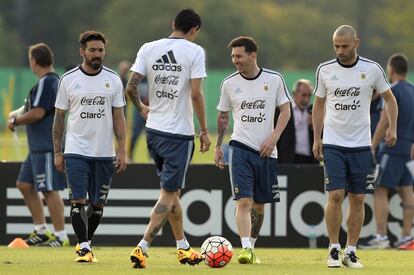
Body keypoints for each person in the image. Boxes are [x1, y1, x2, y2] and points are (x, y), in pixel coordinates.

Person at [126, 9, 211, 268]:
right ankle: (143, 246)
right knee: (169, 192)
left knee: (173, 193)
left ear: (173, 24)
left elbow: (130, 86)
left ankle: (183, 247)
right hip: (178, 135)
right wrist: (204, 131)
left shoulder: (148, 47)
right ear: (194, 30)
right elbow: (196, 95)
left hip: (153, 132)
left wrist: (141, 108)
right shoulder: (195, 52)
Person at [312, 25, 398, 268]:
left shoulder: (372, 69)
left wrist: (392, 127)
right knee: (336, 195)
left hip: (361, 145)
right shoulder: (325, 70)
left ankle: (351, 250)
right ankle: (333, 249)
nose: (340, 50)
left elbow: (389, 98)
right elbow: (319, 104)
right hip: (333, 143)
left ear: (356, 43)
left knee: (359, 198)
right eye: (336, 46)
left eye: (344, 46)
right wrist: (317, 138)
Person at [215, 36, 291, 264]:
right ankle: (245, 248)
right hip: (240, 147)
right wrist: (218, 146)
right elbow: (222, 116)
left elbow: (285, 111)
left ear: (253, 55)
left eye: (239, 56)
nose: (235, 60)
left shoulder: (274, 79)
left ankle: (252, 247)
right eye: (232, 56)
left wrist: (274, 137)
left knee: (259, 205)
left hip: (267, 152)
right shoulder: (228, 83)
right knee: (244, 202)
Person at [53, 31, 127, 262]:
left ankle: (85, 243)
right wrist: (57, 151)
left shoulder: (114, 79)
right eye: (92, 50)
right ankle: (85, 247)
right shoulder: (68, 79)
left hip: (104, 153)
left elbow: (119, 117)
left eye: (101, 50)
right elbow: (59, 118)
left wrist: (123, 149)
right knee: (78, 202)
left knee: (97, 206)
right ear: (82, 52)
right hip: (76, 151)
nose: (97, 54)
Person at [7, 43, 68, 247]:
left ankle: (61, 235)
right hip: (36, 148)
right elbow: (31, 107)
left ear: (34, 61)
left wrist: (16, 121)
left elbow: (38, 112)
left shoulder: (47, 81)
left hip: (47, 146)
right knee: (24, 185)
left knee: (50, 190)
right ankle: (41, 230)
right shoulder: (49, 82)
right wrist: (18, 114)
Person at [360, 53, 414, 250]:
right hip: (408, 150)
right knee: (407, 190)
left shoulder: (392, 90)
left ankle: (381, 236)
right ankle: (407, 236)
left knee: (380, 190)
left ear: (390, 70)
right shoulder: (412, 90)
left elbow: (384, 120)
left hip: (390, 149)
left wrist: (373, 145)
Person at [276, 79, 318, 164]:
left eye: (309, 95)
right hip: (288, 159)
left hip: (310, 160)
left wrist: (314, 125)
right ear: (294, 93)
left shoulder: (313, 111)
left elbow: (321, 136)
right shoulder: (282, 110)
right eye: (304, 95)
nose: (307, 99)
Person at [118, 60, 149, 162]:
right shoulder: (134, 80)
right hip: (139, 111)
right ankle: (129, 156)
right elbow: (127, 87)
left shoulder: (152, 80)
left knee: (152, 135)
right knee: (134, 134)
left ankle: (152, 157)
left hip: (151, 111)